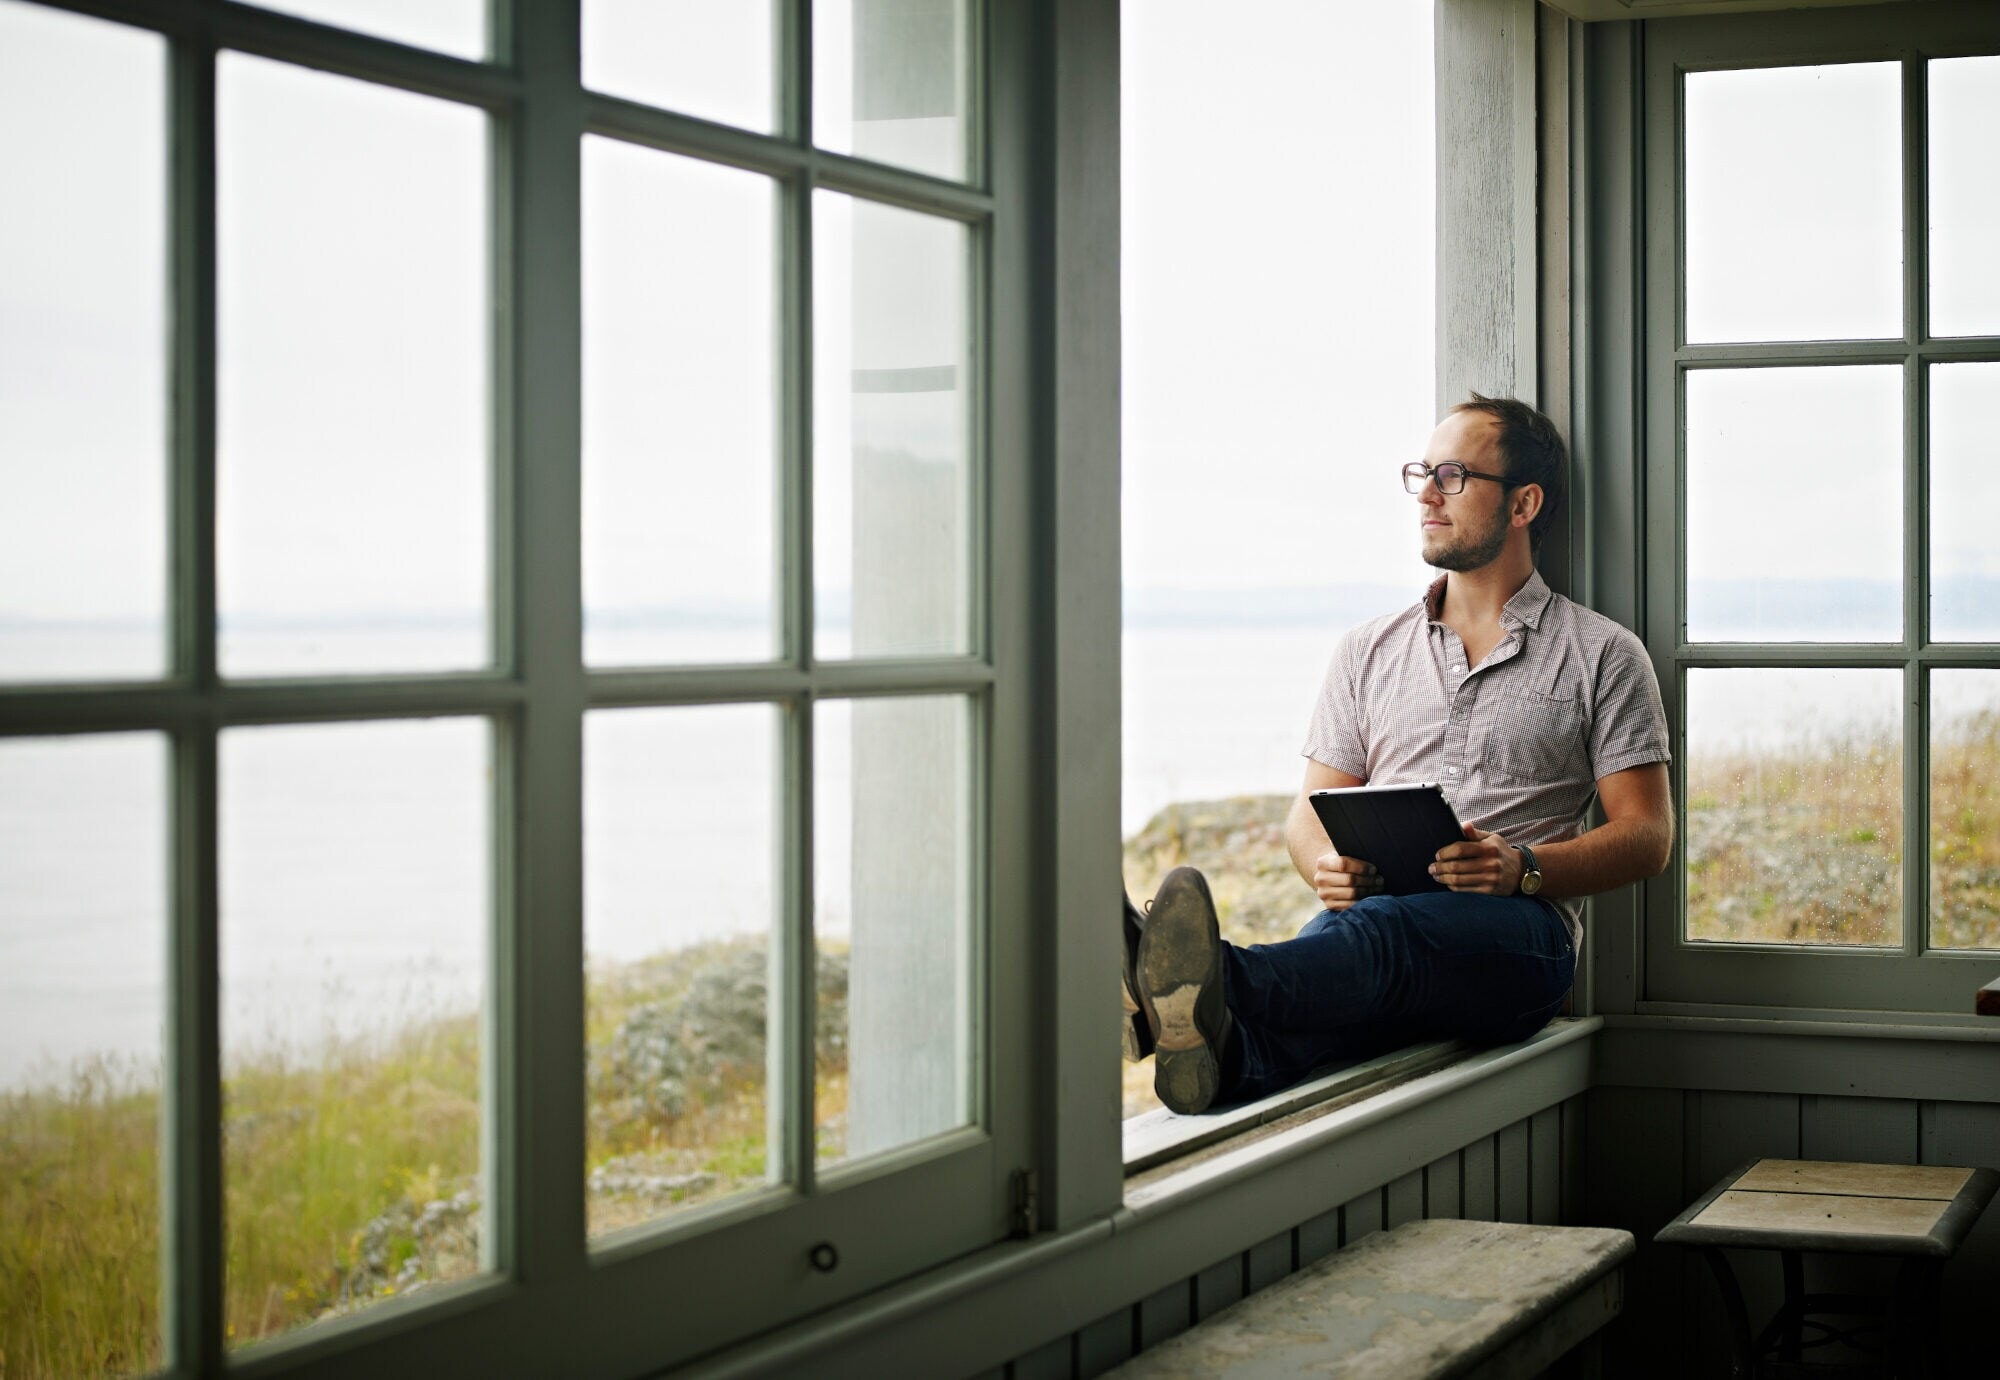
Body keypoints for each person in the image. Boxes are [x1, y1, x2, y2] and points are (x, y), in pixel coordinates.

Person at [1123, 394, 1673, 1115]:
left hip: (1522, 943)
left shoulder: (1601, 653)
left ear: (1523, 504)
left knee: (1381, 934)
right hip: (1380, 930)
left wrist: (1523, 866)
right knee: (1354, 947)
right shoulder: (1367, 651)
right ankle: (1226, 1065)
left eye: (1452, 474)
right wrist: (1327, 867)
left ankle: (1206, 977)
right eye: (1421, 472)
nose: (1427, 494)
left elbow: (1647, 837)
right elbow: (1307, 815)